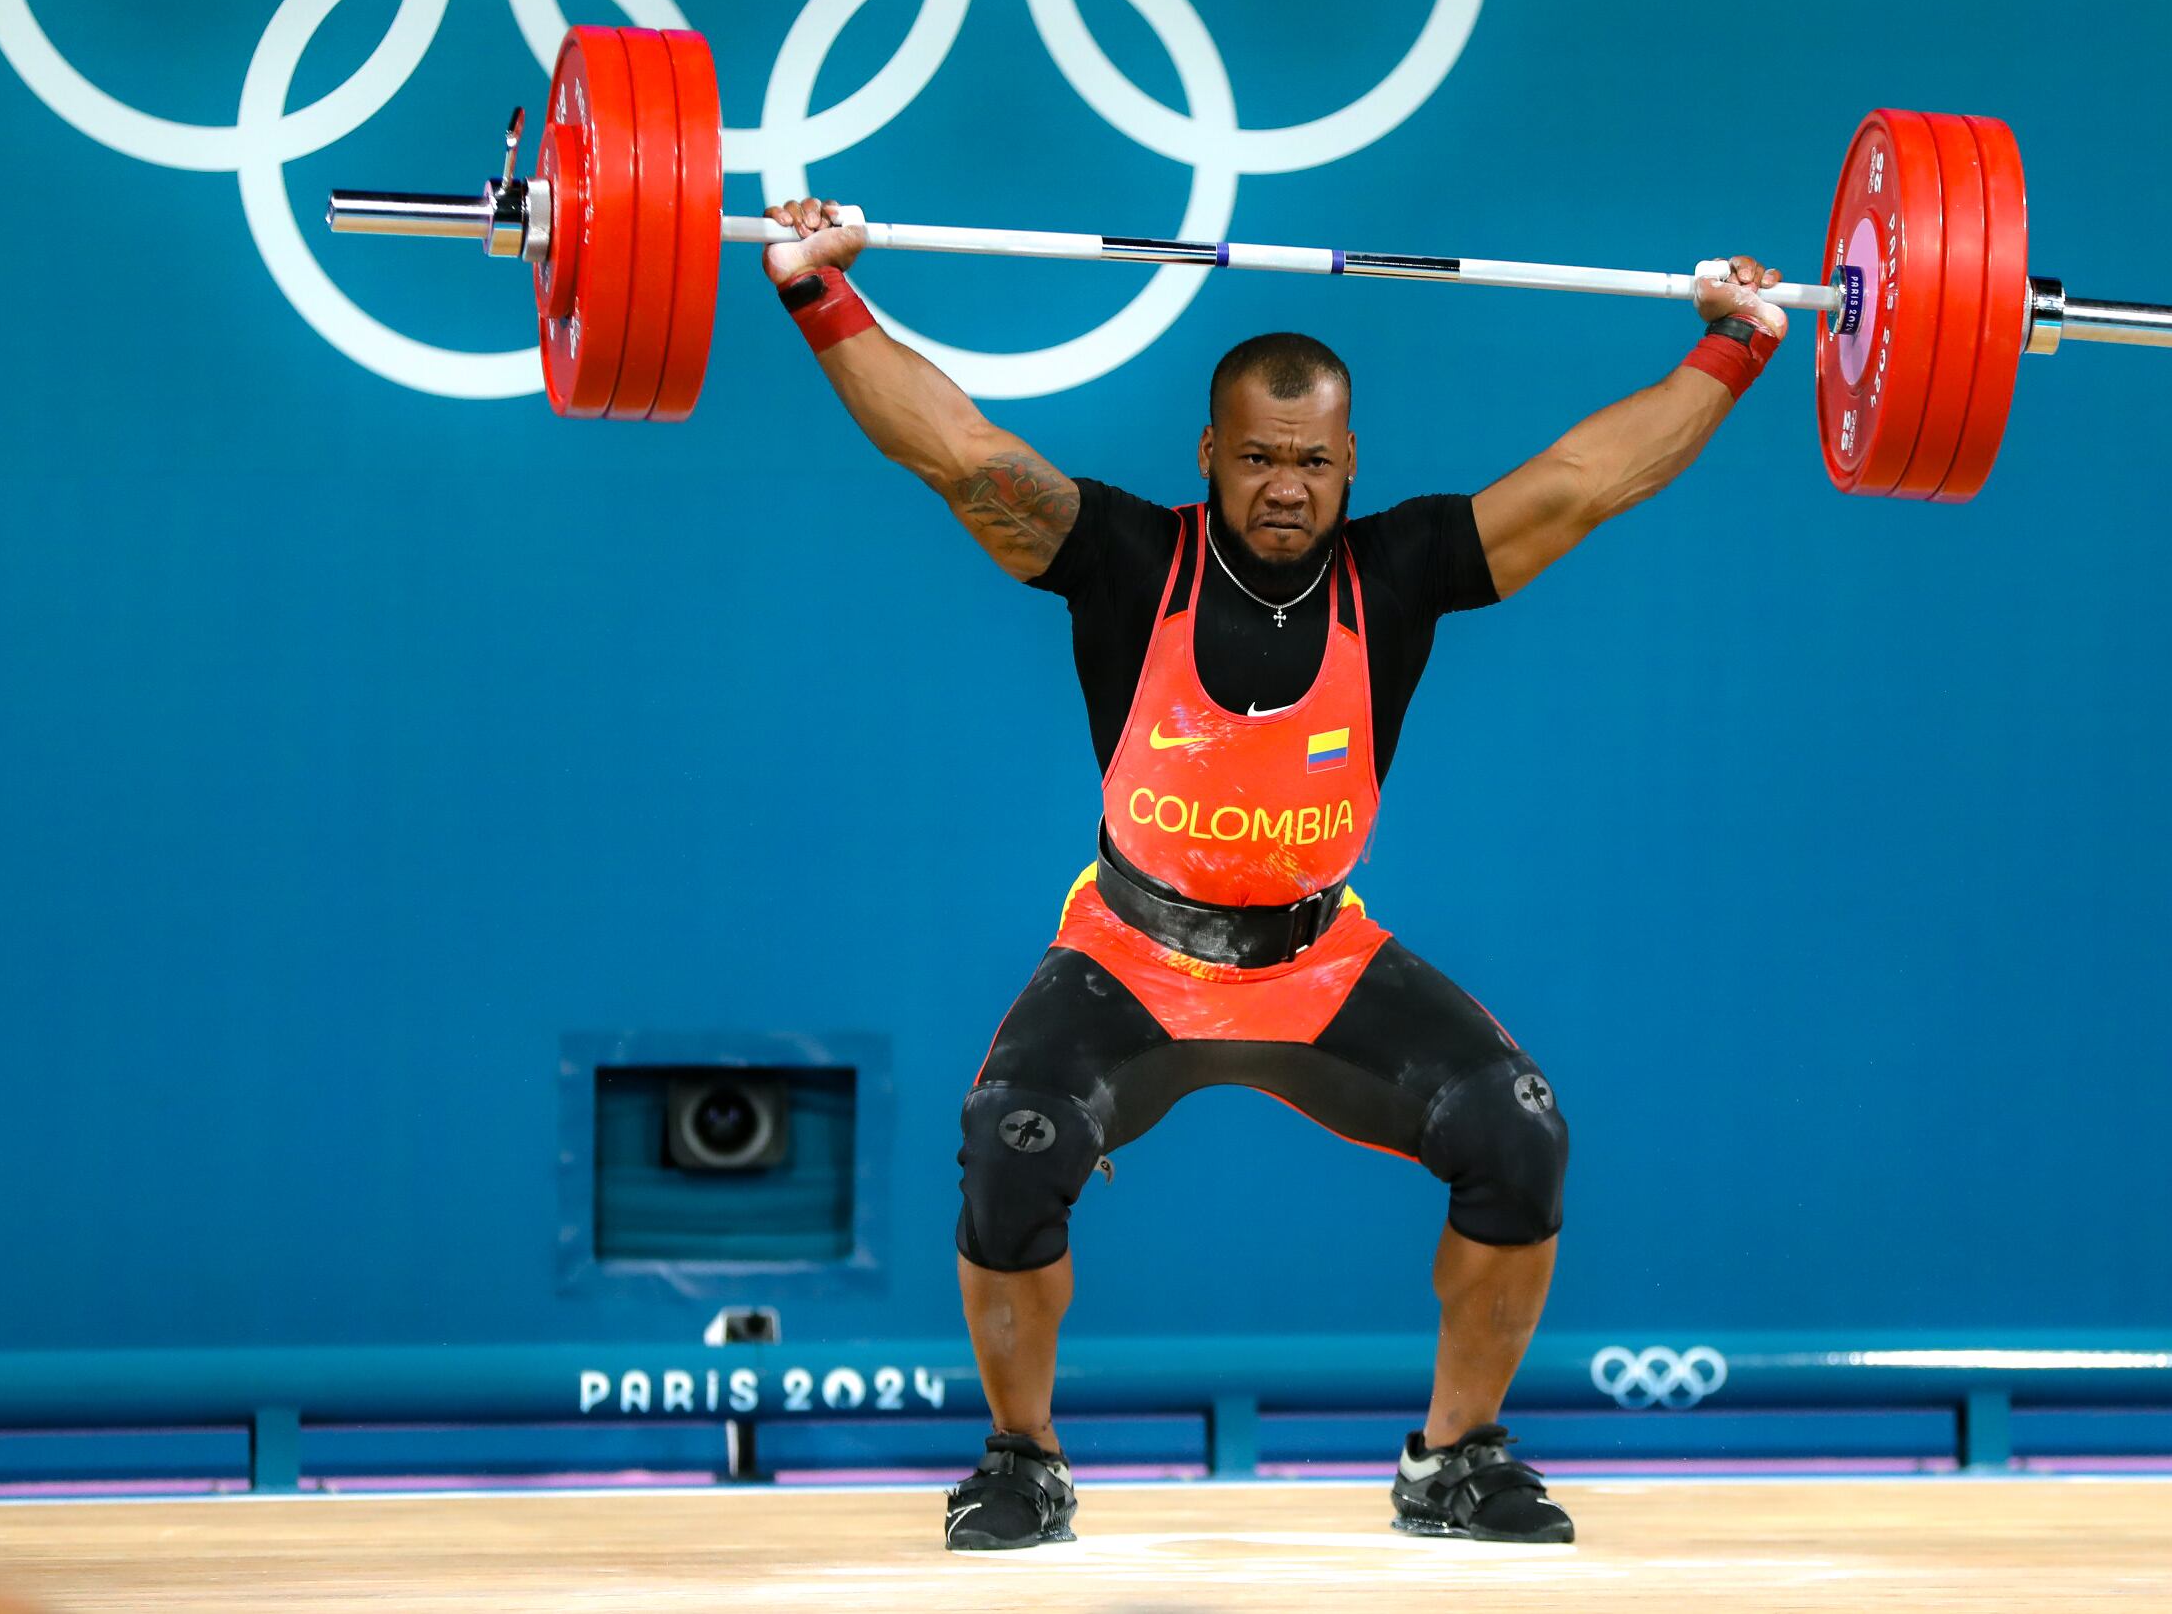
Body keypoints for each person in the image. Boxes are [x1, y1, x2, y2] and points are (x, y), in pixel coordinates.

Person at [760, 198, 1788, 1549]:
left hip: (1317, 962)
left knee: (1516, 1131)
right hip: (1133, 958)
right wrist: (813, 293)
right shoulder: (1130, 562)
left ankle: (1454, 1462)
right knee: (1011, 1149)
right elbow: (959, 454)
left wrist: (1739, 346)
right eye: (1254, 459)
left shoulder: (1402, 571)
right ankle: (1022, 1460)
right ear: (1210, 454)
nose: (1284, 487)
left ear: (1349, 456)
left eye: (1309, 460)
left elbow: (1585, 481)